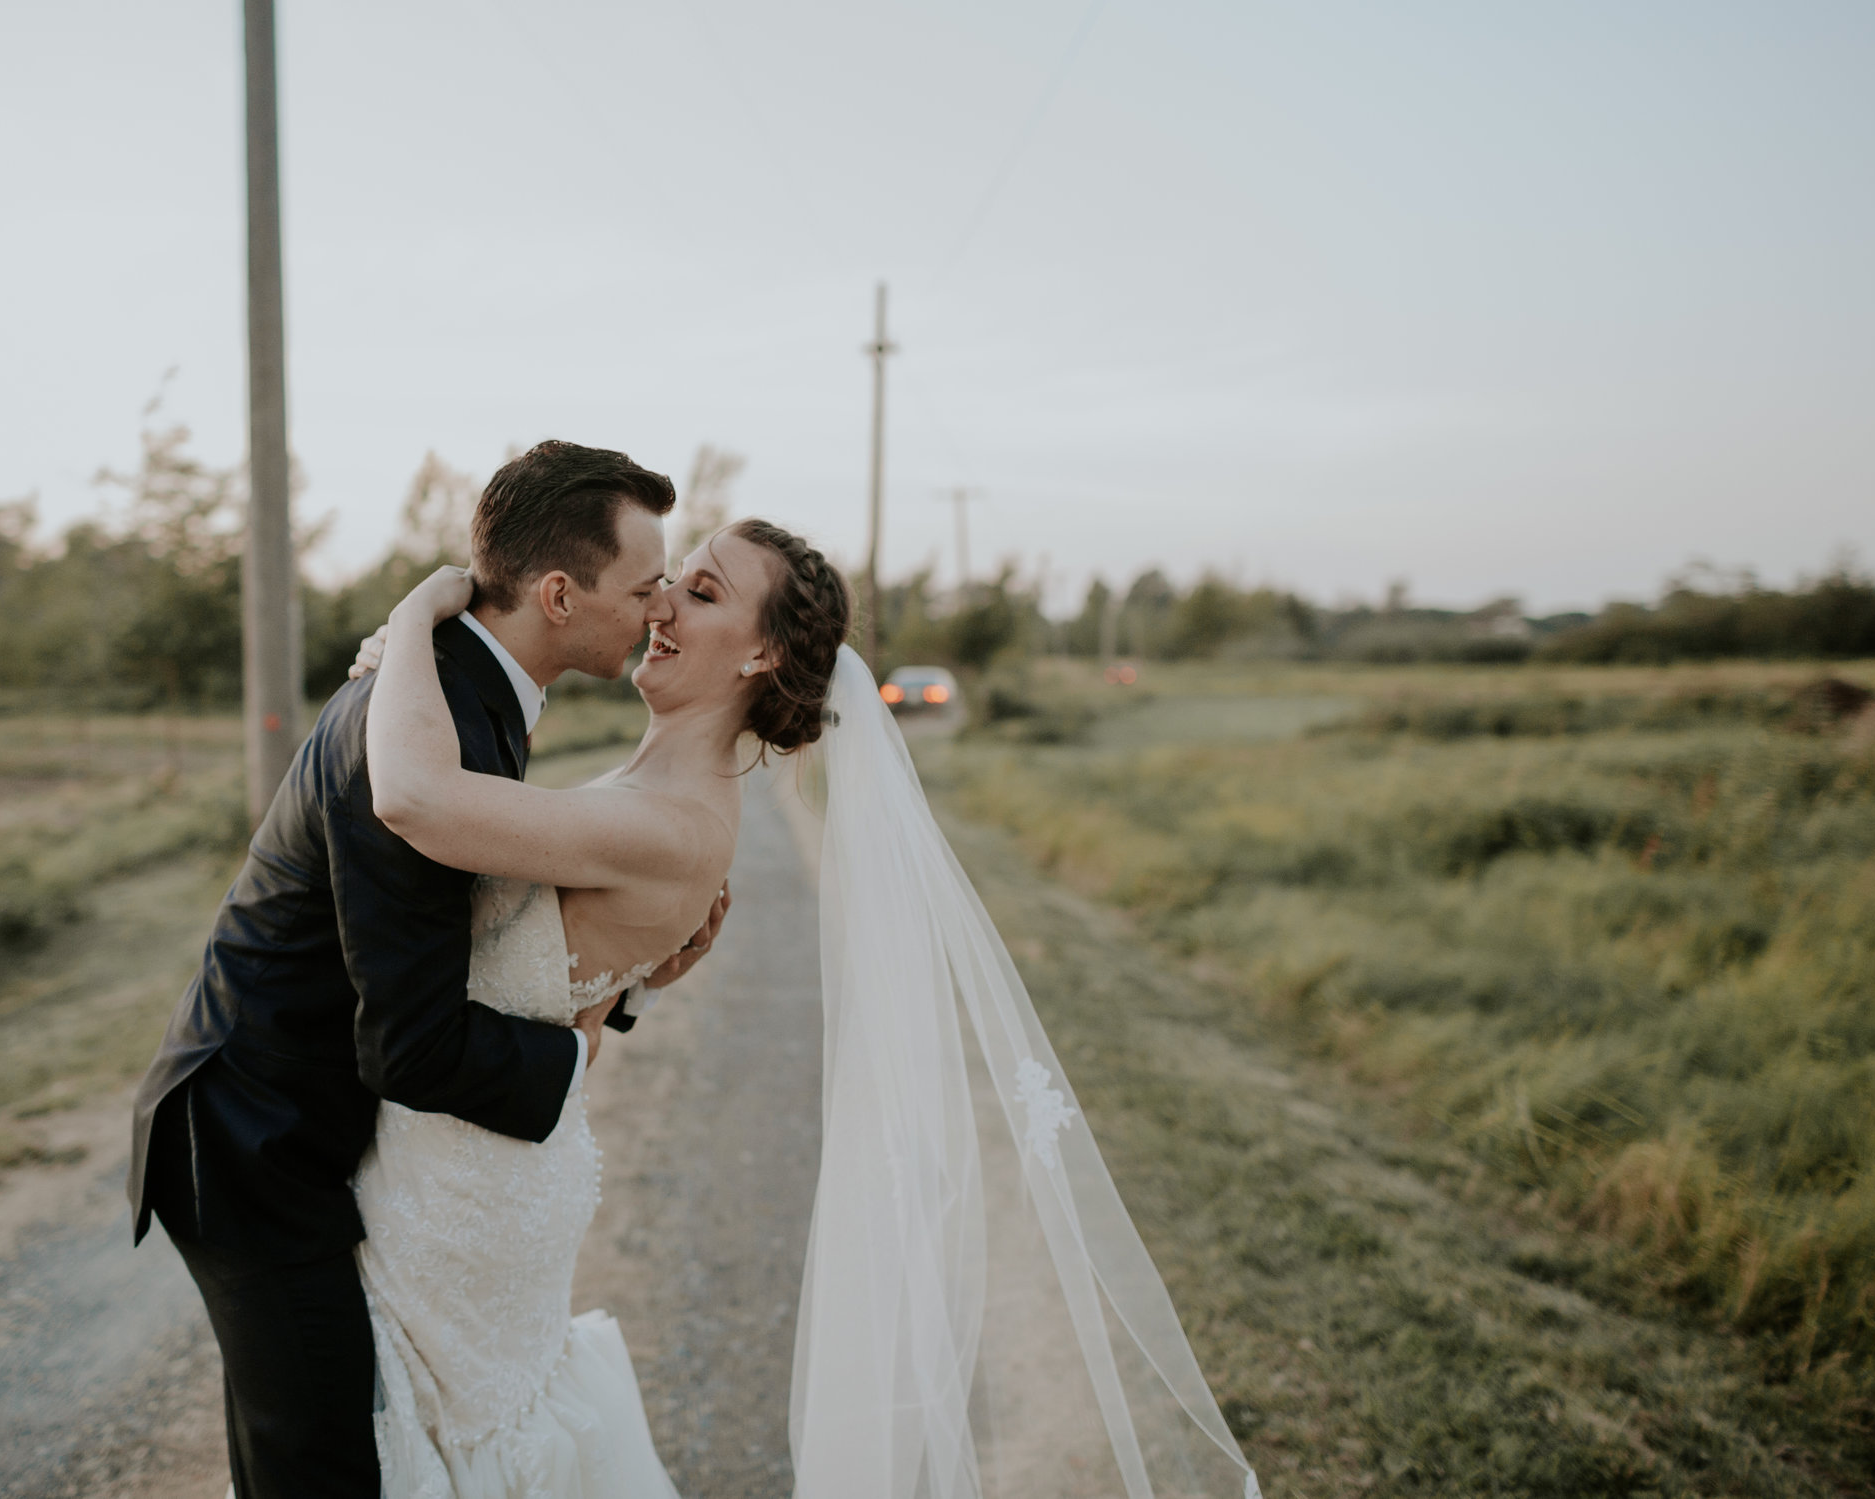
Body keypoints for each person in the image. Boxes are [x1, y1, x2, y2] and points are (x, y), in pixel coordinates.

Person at [353, 507, 1265, 1497]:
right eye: (672, 582)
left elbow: (417, 800)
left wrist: (415, 618)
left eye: (700, 593)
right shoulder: (641, 786)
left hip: (460, 1199)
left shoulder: (676, 820)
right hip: (467, 1170)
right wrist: (626, 994)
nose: (660, 604)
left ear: (761, 655)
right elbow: (548, 1016)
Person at [126, 442, 726, 1499]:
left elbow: (483, 950)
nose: (660, 607)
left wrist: (622, 980)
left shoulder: (459, 693)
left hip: (304, 1122)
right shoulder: (427, 718)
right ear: (557, 593)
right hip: (251, 1137)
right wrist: (572, 1053)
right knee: (317, 1467)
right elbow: (408, 1041)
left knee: (324, 1450)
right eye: (643, 586)